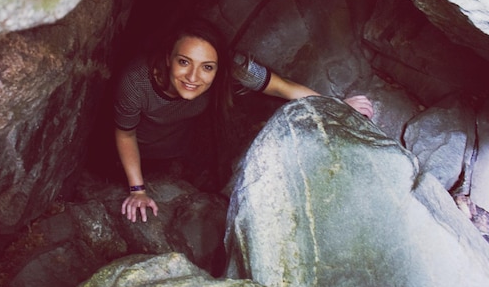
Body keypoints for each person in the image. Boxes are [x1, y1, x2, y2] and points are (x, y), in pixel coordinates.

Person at [114, 18, 373, 222]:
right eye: (184, 62)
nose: (193, 76)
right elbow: (125, 134)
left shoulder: (233, 66)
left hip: (176, 146)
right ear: (167, 58)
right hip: (134, 150)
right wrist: (137, 190)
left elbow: (280, 87)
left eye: (207, 67)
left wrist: (334, 106)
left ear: (218, 67)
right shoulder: (137, 81)